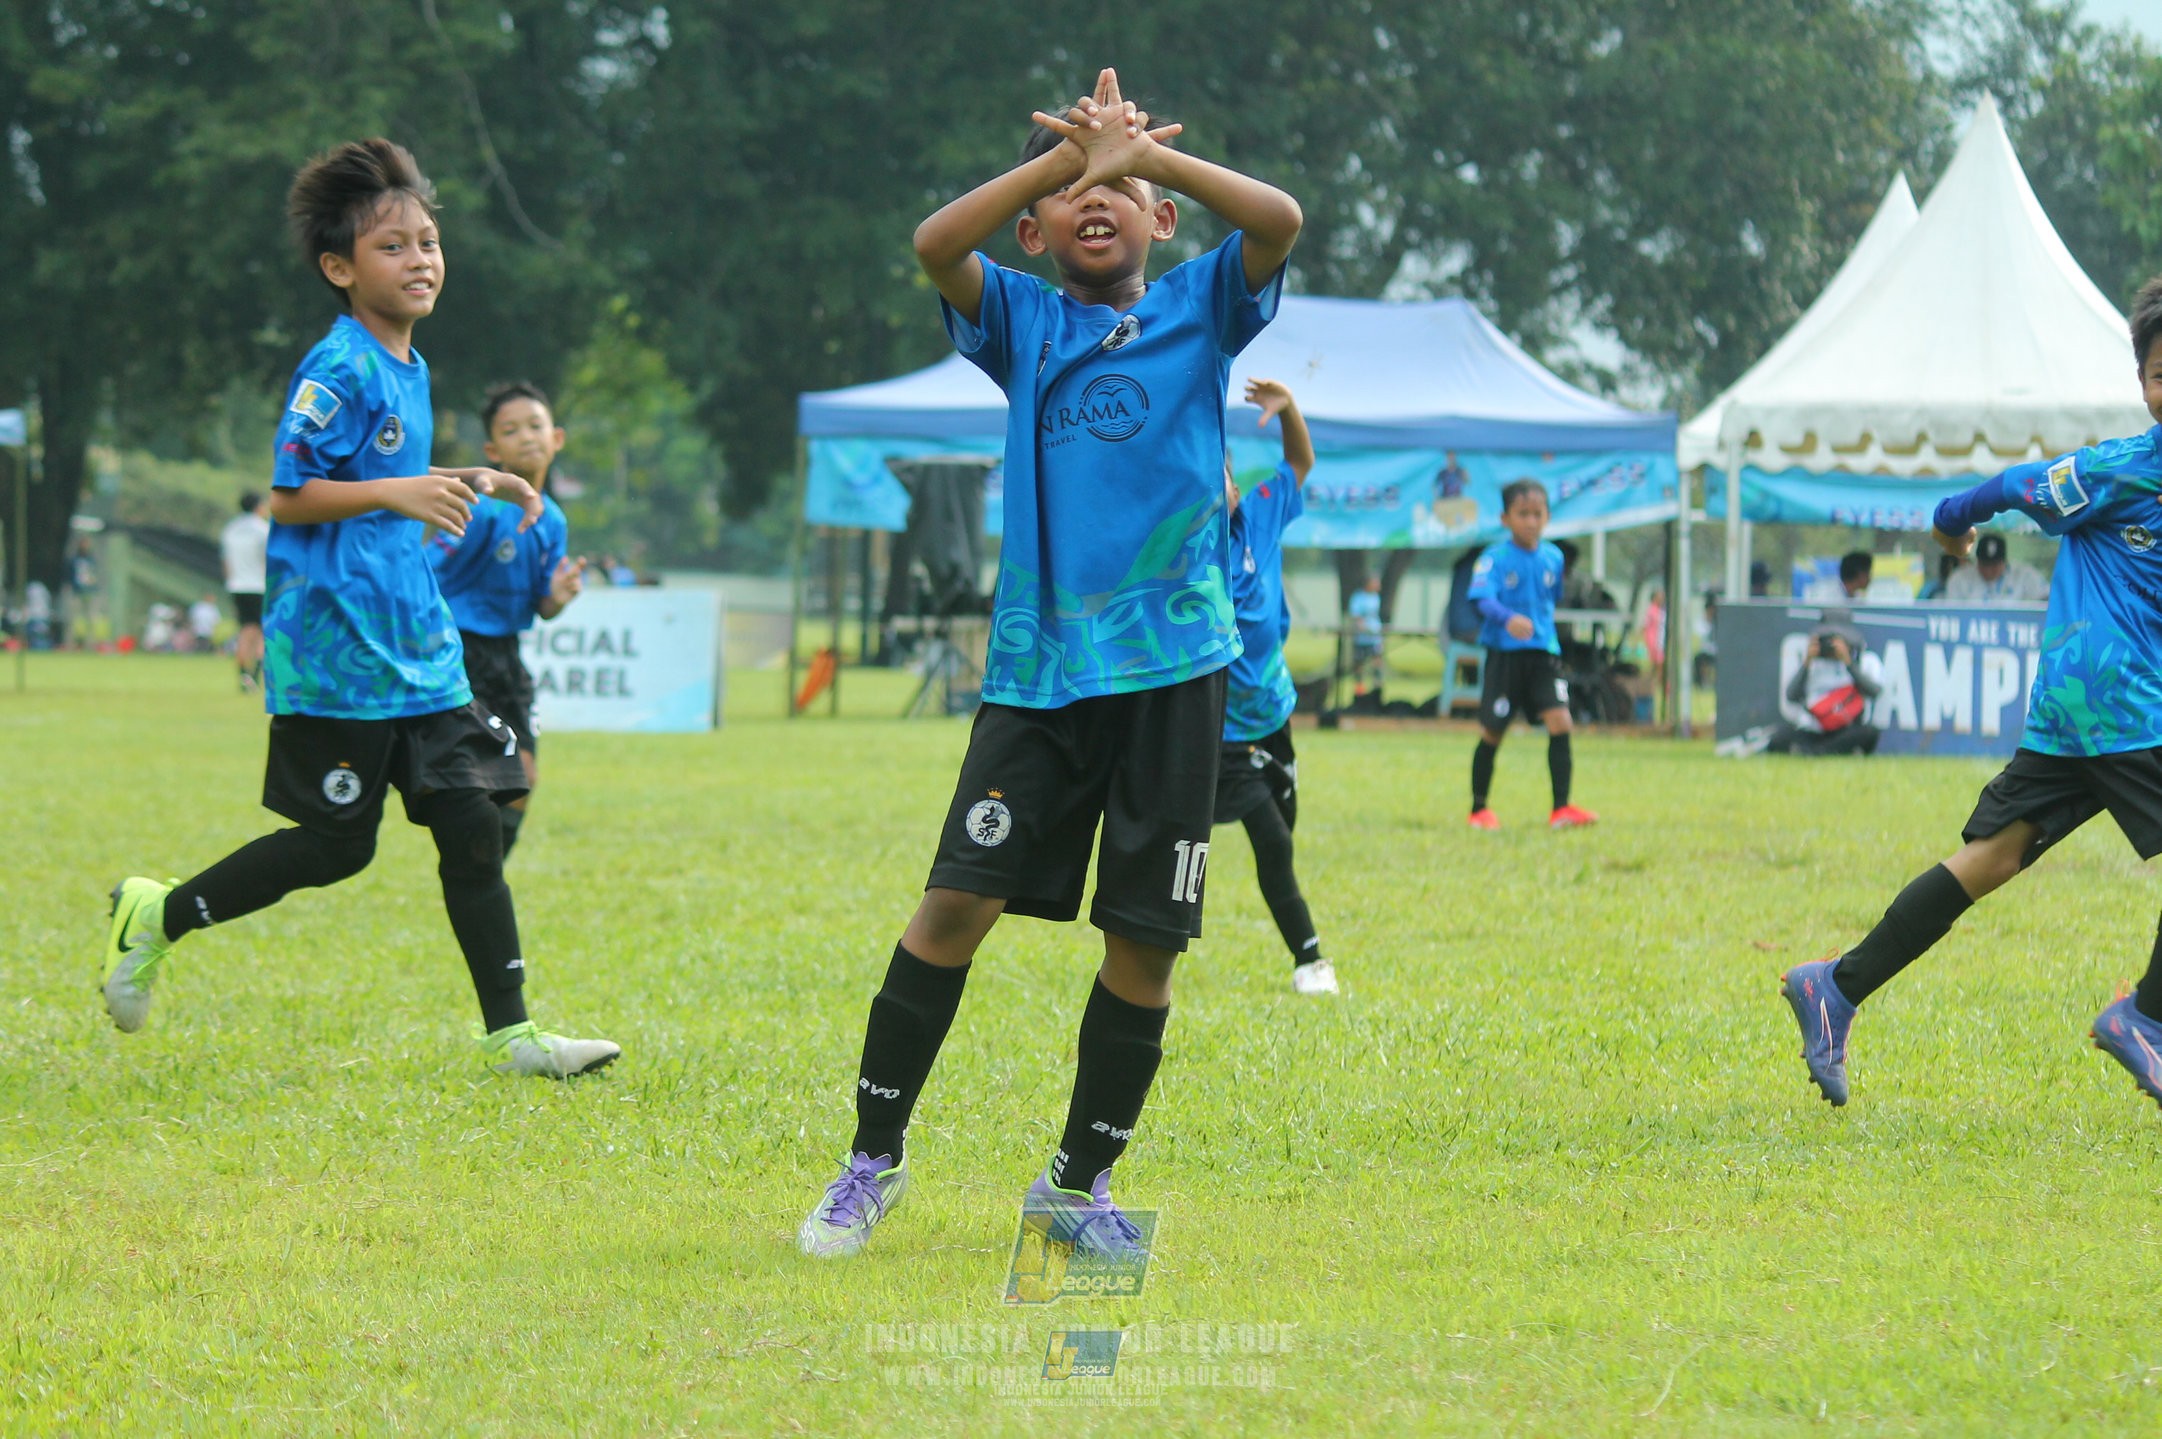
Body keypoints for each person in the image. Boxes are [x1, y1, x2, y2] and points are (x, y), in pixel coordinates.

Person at [796, 69, 1300, 1260]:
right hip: (1038, 675)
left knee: (1144, 942)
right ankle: (870, 1161)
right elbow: (933, 242)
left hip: (1179, 675)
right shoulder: (1019, 320)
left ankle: (1074, 1185)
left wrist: (1146, 155)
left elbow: (1274, 220)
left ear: (1160, 220)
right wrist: (1070, 154)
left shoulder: (1201, 307)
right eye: (1071, 194)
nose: (1096, 201)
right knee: (952, 906)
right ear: (1033, 230)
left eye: (1121, 192)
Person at [98, 138, 618, 1078]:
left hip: (418, 642)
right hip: (337, 647)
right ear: (340, 268)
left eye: (428, 241)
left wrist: (469, 475)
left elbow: (385, 476)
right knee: (338, 846)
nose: (420, 259)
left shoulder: (409, 363)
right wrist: (403, 493)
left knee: (468, 820)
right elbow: (289, 497)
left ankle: (513, 1036)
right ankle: (156, 914)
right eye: (393, 247)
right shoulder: (338, 367)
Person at [1780, 274, 2162, 1109]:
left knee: (1990, 858)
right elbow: (2020, 484)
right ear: (2141, 385)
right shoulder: (2124, 468)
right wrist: (1953, 517)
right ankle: (2147, 1018)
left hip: (2091, 714)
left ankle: (1835, 986)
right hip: (2112, 699)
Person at [426, 381, 584, 858]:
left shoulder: (552, 521)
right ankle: (475, 871)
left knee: (524, 779)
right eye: (511, 430)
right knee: (472, 778)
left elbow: (542, 607)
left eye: (535, 426)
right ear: (493, 450)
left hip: (507, 657)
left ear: (556, 438)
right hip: (461, 652)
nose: (527, 437)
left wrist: (557, 598)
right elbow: (431, 572)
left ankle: (483, 870)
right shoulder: (483, 508)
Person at [1214, 378, 1335, 996]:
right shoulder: (1178, 549)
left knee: (1284, 826)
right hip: (1215, 732)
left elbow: (1300, 462)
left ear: (1235, 481)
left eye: (1222, 476)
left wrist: (1289, 411)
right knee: (1272, 839)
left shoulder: (1260, 509)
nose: (1216, 490)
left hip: (1274, 711)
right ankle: (1311, 959)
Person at [1467, 480, 1597, 831]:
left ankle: (1561, 808)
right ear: (1505, 517)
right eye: (1522, 514)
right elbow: (1481, 599)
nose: (1530, 521)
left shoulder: (1553, 557)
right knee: (1493, 731)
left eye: (1537, 514)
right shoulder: (1494, 558)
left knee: (1561, 722)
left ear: (1547, 517)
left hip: (1543, 654)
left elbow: (1550, 599)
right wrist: (1508, 619)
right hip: (1505, 656)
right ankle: (1479, 809)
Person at [1764, 622, 1882, 756]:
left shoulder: (1864, 661)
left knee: (1869, 733)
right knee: (1780, 737)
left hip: (1846, 729)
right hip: (1814, 729)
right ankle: (1821, 751)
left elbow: (1874, 692)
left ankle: (1816, 752)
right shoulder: (1811, 662)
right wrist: (1807, 662)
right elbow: (1791, 696)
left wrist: (1848, 663)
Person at [221, 491, 271, 689]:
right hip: (258, 585)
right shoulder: (263, 529)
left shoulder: (230, 529)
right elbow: (267, 559)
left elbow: (226, 561)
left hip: (237, 585)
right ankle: (255, 676)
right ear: (258, 506)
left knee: (244, 631)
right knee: (259, 632)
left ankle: (243, 675)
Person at [1944, 532, 2047, 604]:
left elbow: (2047, 598)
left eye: (1994, 565)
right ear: (1977, 561)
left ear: (2004, 562)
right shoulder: (1959, 578)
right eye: (1984, 564)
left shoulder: (2025, 575)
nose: (1988, 570)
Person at [1347, 575, 1383, 681]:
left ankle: (1377, 686)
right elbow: (1355, 615)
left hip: (1375, 636)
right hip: (1361, 637)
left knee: (1377, 660)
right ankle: (1359, 689)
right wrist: (1363, 626)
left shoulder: (1376, 597)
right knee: (1359, 662)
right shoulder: (1358, 597)